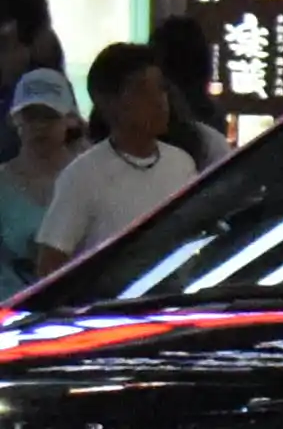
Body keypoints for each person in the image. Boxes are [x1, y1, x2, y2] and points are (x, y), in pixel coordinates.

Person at [32, 45, 201, 275]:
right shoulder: (82, 176)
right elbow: (50, 266)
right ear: (108, 103)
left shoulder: (182, 164)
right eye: (142, 91)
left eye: (161, 89)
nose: (159, 101)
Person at [0, 68, 70, 252]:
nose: (39, 126)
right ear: (14, 120)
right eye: (30, 117)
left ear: (69, 119)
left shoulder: (88, 175)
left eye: (49, 116)